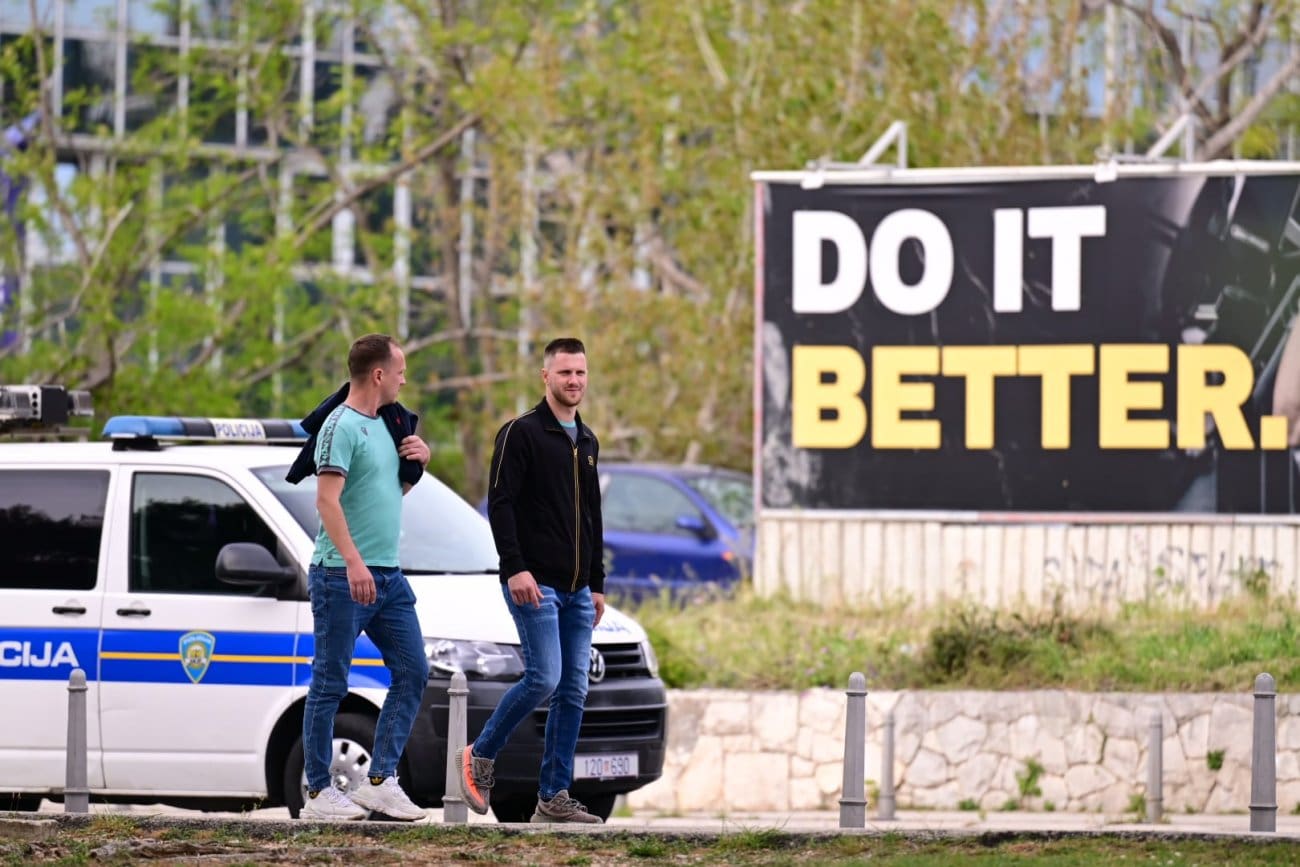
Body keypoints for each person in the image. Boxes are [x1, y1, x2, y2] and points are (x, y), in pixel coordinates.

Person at [457, 337, 606, 824]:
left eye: (580, 372)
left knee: (573, 690)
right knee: (545, 677)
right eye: (565, 372)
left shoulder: (587, 441)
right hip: (533, 582)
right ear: (546, 376)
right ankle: (479, 754)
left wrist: (597, 582)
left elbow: (592, 517)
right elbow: (499, 505)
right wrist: (515, 567)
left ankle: (553, 797)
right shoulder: (520, 433)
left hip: (578, 590)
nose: (574, 381)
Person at [300, 333, 431, 821]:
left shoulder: (386, 426)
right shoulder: (339, 426)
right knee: (330, 683)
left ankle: (380, 781)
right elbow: (326, 501)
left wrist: (418, 464)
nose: (403, 380)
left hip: (388, 578)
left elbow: (385, 496)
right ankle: (318, 793)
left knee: (413, 670)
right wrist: (354, 562)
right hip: (340, 576)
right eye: (399, 371)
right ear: (378, 374)